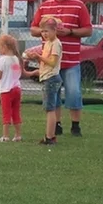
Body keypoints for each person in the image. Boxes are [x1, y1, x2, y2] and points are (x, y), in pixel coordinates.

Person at [29, 0, 92, 137]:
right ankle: (56, 124)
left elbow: (88, 30)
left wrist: (70, 31)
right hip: (50, 62)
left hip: (70, 60)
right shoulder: (44, 7)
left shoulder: (78, 6)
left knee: (74, 92)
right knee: (53, 93)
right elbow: (33, 29)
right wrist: (45, 32)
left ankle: (75, 125)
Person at [28, 17, 62, 146]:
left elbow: (52, 62)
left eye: (47, 31)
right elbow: (46, 61)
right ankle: (51, 136)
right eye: (42, 31)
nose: (44, 34)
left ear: (54, 30)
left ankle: (49, 137)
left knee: (50, 109)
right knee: (51, 107)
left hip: (51, 78)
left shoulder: (56, 44)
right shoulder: (47, 43)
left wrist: (39, 56)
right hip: (48, 76)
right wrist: (37, 58)